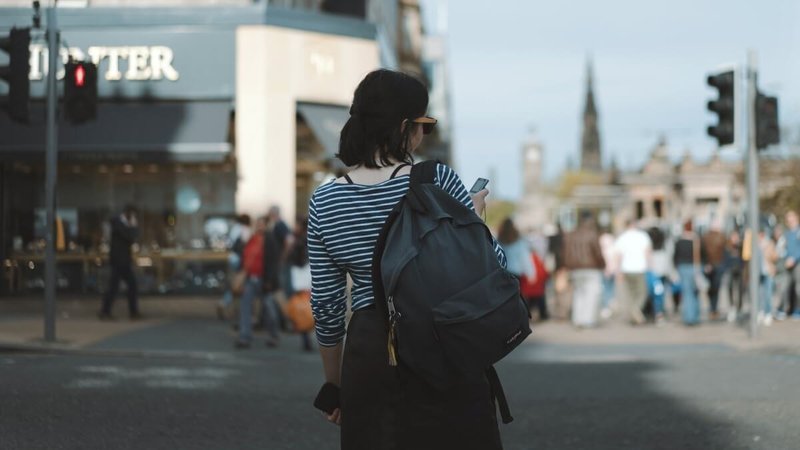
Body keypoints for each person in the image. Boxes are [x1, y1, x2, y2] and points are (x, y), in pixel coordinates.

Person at [308, 69, 507, 448]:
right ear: (404, 127)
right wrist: (473, 219)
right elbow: (492, 266)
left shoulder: (325, 201)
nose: (423, 134)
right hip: (443, 341)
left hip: (369, 350)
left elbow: (327, 304)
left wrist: (335, 384)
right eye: (424, 124)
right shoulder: (437, 181)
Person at [235, 216, 281, 349]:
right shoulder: (250, 238)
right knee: (245, 307)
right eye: (257, 224)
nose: (258, 226)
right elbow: (241, 253)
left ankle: (273, 335)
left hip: (264, 279)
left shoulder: (270, 239)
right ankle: (245, 337)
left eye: (261, 224)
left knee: (268, 308)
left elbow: (273, 262)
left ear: (266, 225)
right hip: (250, 278)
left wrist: (270, 280)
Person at [562, 212, 605, 328]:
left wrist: (568, 266)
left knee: (578, 294)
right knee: (591, 294)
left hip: (575, 269)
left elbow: (566, 253)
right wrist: (603, 265)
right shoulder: (592, 234)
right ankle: (588, 320)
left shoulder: (571, 235)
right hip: (591, 268)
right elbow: (598, 252)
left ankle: (578, 319)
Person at [99, 204, 141, 320]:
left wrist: (132, 225)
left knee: (124, 286)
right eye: (132, 215)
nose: (133, 218)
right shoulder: (117, 223)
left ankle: (131, 312)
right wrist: (133, 224)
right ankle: (106, 312)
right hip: (118, 261)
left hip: (123, 261)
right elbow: (130, 236)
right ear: (127, 213)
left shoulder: (122, 224)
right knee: (117, 287)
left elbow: (133, 236)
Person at [613, 219, 652, 325]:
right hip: (640, 268)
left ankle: (634, 313)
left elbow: (618, 256)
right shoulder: (643, 236)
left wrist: (618, 271)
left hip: (626, 268)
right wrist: (650, 267)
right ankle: (636, 310)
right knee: (642, 293)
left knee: (630, 294)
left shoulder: (622, 238)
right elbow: (647, 253)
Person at [217, 214, 252, 320]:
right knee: (240, 285)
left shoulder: (235, 228)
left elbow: (229, 243)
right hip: (241, 260)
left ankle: (225, 304)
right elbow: (246, 246)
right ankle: (231, 306)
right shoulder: (245, 229)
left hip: (232, 258)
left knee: (235, 284)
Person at [674, 220, 701, 326]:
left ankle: (688, 317)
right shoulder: (696, 240)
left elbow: (676, 256)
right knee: (695, 292)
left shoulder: (680, 241)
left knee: (687, 293)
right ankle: (695, 316)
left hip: (683, 268)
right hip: (695, 267)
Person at [701, 220, 728, 320]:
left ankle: (713, 308)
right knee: (716, 287)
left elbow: (702, 251)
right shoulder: (721, 236)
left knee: (712, 287)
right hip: (718, 265)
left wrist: (706, 263)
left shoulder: (705, 236)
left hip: (711, 265)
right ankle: (713, 308)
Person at [782, 210, 800, 320]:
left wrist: (794, 258)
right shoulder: (787, 233)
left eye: (791, 217)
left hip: (797, 263)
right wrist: (786, 257)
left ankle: (798, 310)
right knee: (786, 287)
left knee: (799, 288)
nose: (790, 220)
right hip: (788, 263)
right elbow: (785, 248)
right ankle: (788, 309)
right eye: (788, 218)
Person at [758, 228, 778, 326]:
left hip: (768, 271)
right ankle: (760, 311)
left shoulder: (769, 243)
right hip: (758, 272)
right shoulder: (753, 243)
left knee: (768, 293)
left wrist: (769, 254)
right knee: (759, 294)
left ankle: (768, 313)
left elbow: (775, 256)